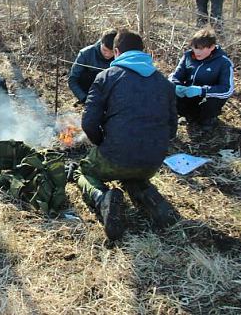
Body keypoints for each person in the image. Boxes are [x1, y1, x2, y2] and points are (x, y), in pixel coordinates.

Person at [71, 29, 178, 240]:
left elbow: (89, 123)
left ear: (117, 52)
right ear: (143, 52)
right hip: (152, 161)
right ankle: (148, 196)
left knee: (83, 170)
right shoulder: (165, 83)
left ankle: (103, 199)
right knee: (133, 175)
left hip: (116, 154)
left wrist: (103, 144)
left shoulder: (106, 77)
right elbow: (172, 129)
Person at [169, 28, 234, 131]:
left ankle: (207, 120)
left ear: (212, 47)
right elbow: (175, 76)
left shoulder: (224, 62)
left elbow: (227, 89)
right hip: (189, 94)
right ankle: (188, 115)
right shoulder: (188, 56)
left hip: (208, 98)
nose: (197, 52)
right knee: (169, 91)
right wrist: (176, 86)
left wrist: (202, 90)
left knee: (212, 103)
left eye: (201, 48)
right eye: (195, 48)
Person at [67, 30, 116, 104]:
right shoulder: (86, 53)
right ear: (100, 43)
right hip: (87, 92)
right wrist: (84, 98)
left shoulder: (121, 56)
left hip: (110, 93)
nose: (108, 54)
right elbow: (72, 80)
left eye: (112, 52)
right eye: (105, 50)